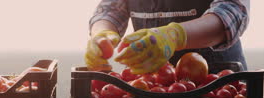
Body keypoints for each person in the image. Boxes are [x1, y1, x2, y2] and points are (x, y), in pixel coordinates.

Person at [85, 0, 250, 74]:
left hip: (216, 87)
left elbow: (232, 11)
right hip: (154, 89)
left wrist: (176, 36)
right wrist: (101, 34)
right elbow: (111, 8)